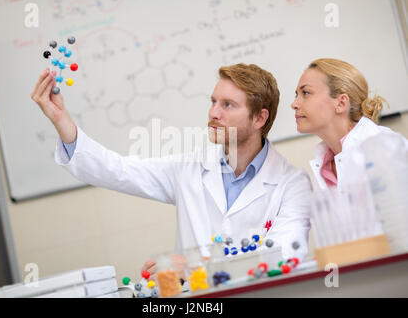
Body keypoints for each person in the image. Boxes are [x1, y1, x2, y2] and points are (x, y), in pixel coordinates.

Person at [31, 63, 312, 280]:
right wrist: (61, 120)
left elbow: (286, 257)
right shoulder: (188, 170)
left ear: (259, 117)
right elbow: (117, 170)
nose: (213, 113)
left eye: (228, 105)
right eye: (213, 101)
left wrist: (193, 267)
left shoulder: (292, 183)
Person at [291, 58, 408, 191]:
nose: (294, 104)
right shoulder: (322, 165)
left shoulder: (384, 147)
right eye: (296, 95)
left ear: (341, 103)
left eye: (305, 93)